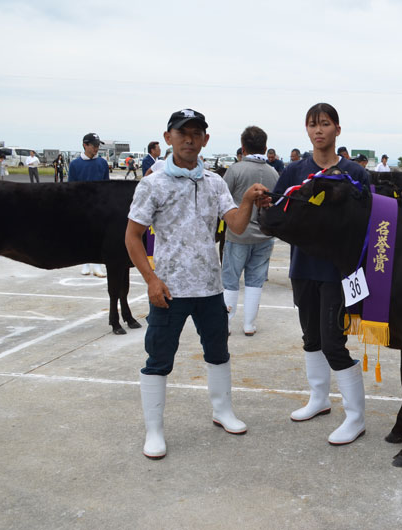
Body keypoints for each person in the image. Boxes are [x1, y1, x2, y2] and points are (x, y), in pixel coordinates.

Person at [125, 108, 271, 459]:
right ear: (168, 138)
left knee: (218, 353)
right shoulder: (152, 183)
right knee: (158, 358)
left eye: (196, 133)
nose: (189, 139)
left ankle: (222, 411)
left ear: (206, 139)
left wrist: (248, 200)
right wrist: (151, 279)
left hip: (210, 288)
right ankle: (155, 430)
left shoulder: (215, 182)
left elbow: (235, 225)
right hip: (169, 290)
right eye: (182, 133)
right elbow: (132, 237)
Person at [273, 102, 370, 445]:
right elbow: (278, 213)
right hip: (303, 268)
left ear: (337, 130)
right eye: (313, 125)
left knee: (333, 342)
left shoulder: (355, 173)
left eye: (325, 124)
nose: (318, 130)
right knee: (311, 338)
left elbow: (370, 224)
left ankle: (355, 417)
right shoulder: (294, 171)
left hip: (338, 273)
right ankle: (319, 400)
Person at [222, 126, 279, 337]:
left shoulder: (235, 170)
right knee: (255, 280)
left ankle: (226, 323)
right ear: (265, 147)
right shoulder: (274, 172)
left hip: (238, 233)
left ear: (243, 147)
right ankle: (249, 324)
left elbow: (223, 200)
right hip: (264, 234)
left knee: (230, 279)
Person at [69, 133, 110, 277]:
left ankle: (98, 265)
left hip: (99, 205)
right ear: (85, 145)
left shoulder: (102, 163)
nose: (96, 148)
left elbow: (107, 185)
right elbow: (71, 187)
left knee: (100, 236)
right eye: (94, 145)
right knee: (84, 235)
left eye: (98, 145)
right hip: (82, 206)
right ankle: (85, 263)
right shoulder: (75, 164)